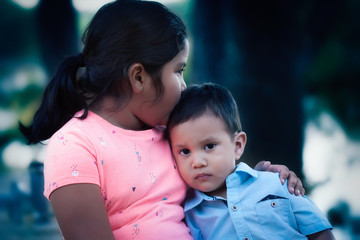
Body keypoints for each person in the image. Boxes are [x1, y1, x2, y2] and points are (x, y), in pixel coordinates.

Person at [19, 1, 304, 239]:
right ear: (139, 77)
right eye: (178, 71)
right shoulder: (75, 145)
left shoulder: (170, 131)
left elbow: (216, 181)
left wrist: (264, 182)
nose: (183, 85)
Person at [166, 82, 335, 240]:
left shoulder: (277, 182)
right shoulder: (190, 216)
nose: (197, 162)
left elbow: (320, 233)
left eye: (209, 146)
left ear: (237, 145)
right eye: (185, 151)